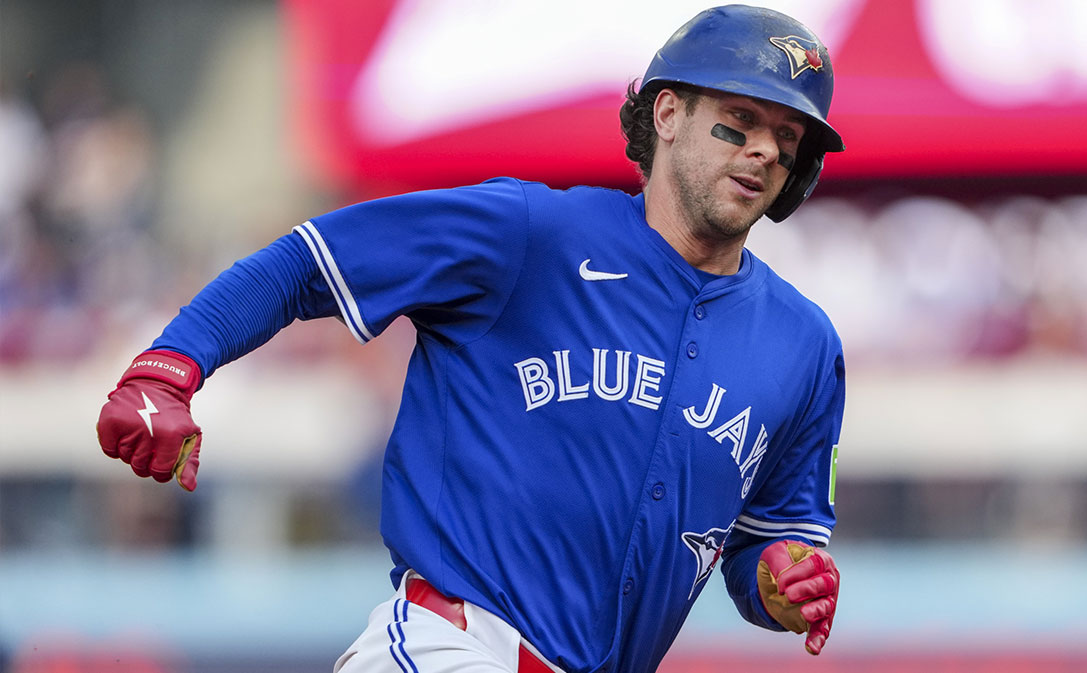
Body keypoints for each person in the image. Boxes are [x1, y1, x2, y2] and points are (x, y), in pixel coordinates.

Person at [96, 5, 847, 672]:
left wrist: (782, 582)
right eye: (739, 121)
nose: (764, 151)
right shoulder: (530, 232)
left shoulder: (804, 345)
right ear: (669, 114)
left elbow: (767, 546)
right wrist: (171, 365)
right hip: (450, 644)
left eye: (787, 136)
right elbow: (308, 261)